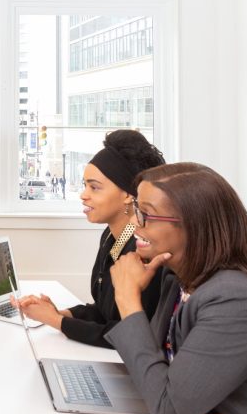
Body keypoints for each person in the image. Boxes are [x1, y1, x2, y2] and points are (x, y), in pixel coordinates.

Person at [107, 163, 247, 414]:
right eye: (136, 209)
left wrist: (127, 299)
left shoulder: (238, 299)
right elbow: (158, 375)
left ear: (194, 226)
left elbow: (168, 408)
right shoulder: (176, 278)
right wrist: (179, 403)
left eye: (145, 214)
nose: (134, 222)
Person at [13, 130, 165, 347]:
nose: (83, 195)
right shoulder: (113, 238)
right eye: (85, 185)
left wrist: (57, 321)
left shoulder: (144, 249)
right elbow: (104, 312)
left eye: (94, 187)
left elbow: (125, 332)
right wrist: (57, 313)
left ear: (128, 195)